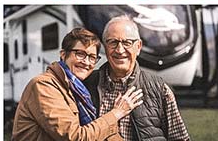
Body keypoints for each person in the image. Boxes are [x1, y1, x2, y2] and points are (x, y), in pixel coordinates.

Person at [12, 28, 143, 140]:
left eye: (92, 57)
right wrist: (116, 113)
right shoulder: (44, 86)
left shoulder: (77, 89)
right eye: (80, 54)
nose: (86, 62)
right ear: (63, 55)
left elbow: (98, 133)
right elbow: (75, 136)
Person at [84, 16, 189, 140]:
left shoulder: (159, 89)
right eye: (113, 42)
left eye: (127, 43)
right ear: (105, 47)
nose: (120, 50)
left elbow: (180, 138)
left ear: (138, 47)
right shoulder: (86, 85)